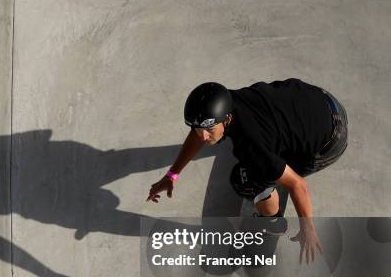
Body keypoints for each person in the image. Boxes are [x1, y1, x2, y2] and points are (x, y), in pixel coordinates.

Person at [146, 78, 348, 264]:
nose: (204, 137)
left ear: (226, 119)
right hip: (325, 100)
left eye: (209, 130)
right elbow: (198, 132)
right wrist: (172, 174)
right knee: (269, 144)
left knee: (244, 179)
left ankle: (272, 222)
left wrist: (308, 229)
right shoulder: (228, 100)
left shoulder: (252, 146)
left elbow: (298, 185)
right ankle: (279, 152)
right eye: (199, 130)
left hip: (329, 143)